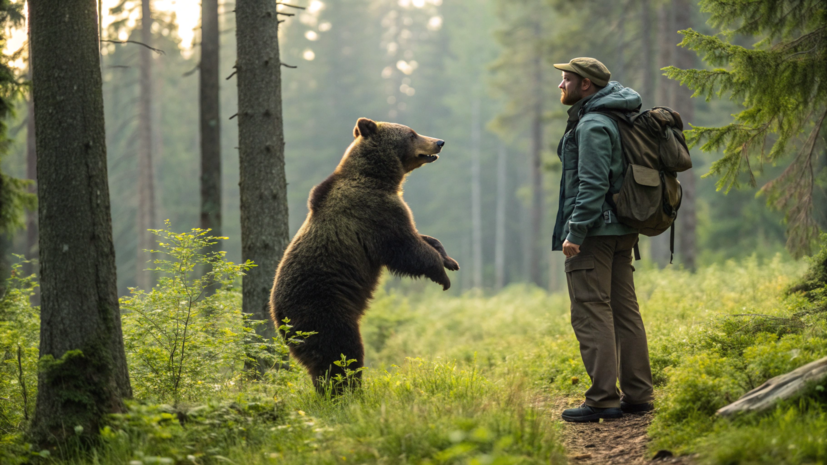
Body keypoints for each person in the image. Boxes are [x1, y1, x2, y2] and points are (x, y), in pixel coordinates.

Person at [551, 57, 654, 422]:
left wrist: (575, 232)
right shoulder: (616, 115)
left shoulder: (593, 123)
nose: (560, 85)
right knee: (625, 313)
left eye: (567, 79)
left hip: (595, 234)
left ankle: (602, 399)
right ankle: (638, 395)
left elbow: (592, 184)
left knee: (591, 312)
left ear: (586, 84)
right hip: (622, 231)